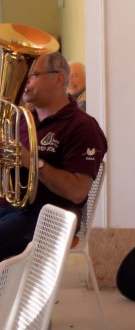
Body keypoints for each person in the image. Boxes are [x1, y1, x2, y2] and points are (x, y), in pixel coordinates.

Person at [0, 53, 108, 259]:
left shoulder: (83, 127)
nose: (24, 82)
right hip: (12, 209)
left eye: (32, 75)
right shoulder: (22, 120)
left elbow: (77, 191)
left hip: (48, 219)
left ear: (58, 79)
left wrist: (30, 161)